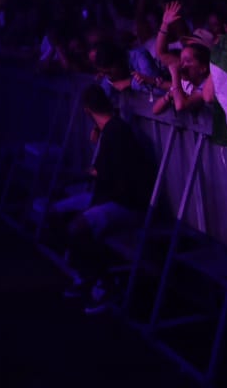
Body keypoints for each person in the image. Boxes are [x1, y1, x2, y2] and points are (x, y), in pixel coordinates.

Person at [57, 85, 153, 314]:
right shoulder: (111, 129)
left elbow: (113, 177)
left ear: (86, 110)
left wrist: (92, 176)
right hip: (115, 196)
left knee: (78, 226)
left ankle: (105, 283)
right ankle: (86, 275)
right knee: (59, 210)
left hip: (127, 204)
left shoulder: (115, 131)